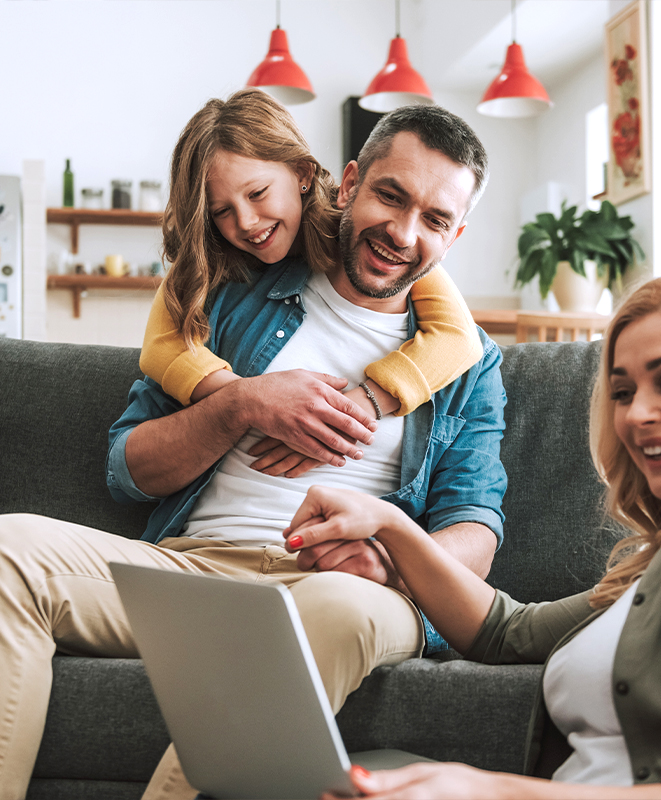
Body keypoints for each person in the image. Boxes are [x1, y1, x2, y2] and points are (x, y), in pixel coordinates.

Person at [0, 97, 507, 800]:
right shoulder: (236, 288)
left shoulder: (468, 362)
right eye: (390, 196)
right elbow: (128, 469)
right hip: (198, 571)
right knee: (8, 548)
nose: (403, 230)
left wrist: (393, 558)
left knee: (338, 607)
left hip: (351, 589)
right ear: (348, 182)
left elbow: (475, 530)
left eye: (435, 219)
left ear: (455, 235)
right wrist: (240, 403)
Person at [284, 267, 661, 800]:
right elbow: (507, 633)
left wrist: (491, 793)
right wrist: (389, 524)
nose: (637, 414)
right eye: (622, 392)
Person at [139, 89, 485, 469]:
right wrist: (251, 400)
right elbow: (161, 349)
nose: (246, 222)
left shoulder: (363, 233)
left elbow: (459, 338)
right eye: (222, 210)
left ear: (302, 175)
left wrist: (356, 407)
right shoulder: (212, 261)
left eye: (258, 193)